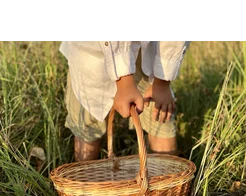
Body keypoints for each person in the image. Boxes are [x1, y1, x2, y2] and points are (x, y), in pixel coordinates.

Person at [59, 40, 191, 161]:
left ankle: (167, 182)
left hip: (149, 48)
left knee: (159, 114)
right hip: (93, 49)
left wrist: (162, 82)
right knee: (88, 117)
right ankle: (85, 182)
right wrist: (124, 81)